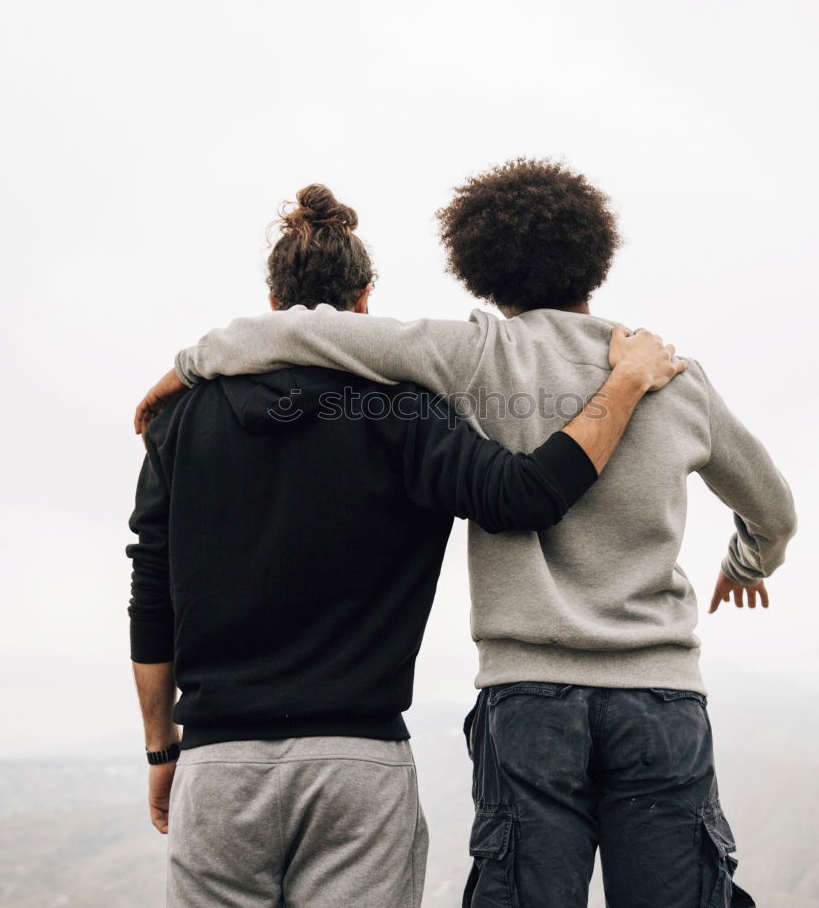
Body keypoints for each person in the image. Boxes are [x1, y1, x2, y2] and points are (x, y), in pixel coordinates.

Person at [128, 182, 686, 908]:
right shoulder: (403, 413)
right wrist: (625, 384)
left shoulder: (180, 422)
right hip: (360, 767)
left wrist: (161, 747)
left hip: (216, 762)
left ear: (273, 304)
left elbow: (150, 593)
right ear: (364, 304)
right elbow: (524, 497)